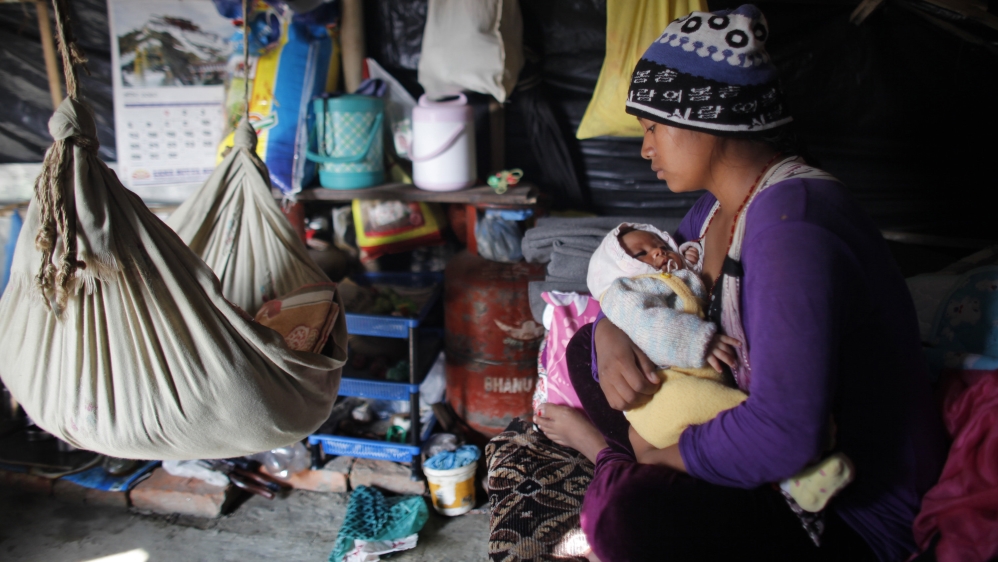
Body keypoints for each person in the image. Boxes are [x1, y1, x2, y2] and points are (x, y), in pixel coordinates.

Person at [535, 5, 948, 561]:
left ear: (704, 119)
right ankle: (626, 461)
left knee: (626, 517)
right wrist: (610, 334)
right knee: (588, 346)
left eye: (652, 127)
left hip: (838, 508)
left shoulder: (793, 227)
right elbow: (654, 293)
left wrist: (658, 459)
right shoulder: (714, 210)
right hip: (737, 422)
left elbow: (787, 434)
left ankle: (607, 457)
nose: (645, 148)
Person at [588, 222, 855, 514]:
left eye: (661, 245)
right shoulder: (626, 290)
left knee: (727, 426)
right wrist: (698, 340)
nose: (659, 252)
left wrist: (687, 256)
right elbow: (647, 325)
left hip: (691, 380)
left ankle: (787, 463)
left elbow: (690, 278)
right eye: (641, 254)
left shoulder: (674, 275)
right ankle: (795, 443)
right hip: (665, 390)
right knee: (730, 411)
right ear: (616, 269)